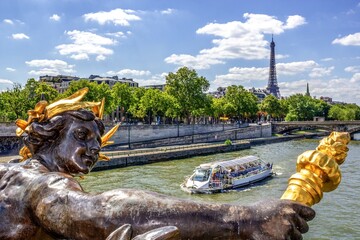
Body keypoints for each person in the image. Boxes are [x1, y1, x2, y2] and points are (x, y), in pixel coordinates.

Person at [0, 88, 315, 240]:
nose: (93, 149)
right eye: (82, 135)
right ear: (47, 135)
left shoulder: (11, 172)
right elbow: (103, 212)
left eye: (98, 142)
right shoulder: (39, 183)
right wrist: (247, 218)